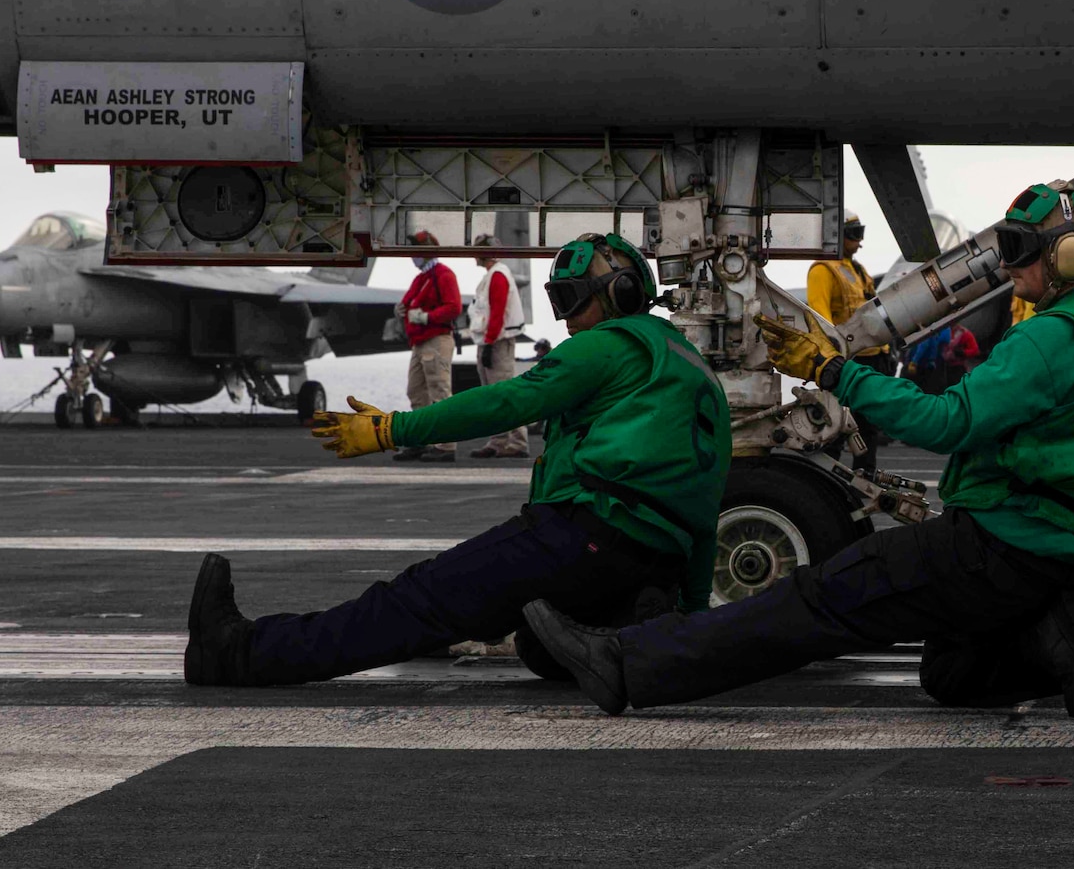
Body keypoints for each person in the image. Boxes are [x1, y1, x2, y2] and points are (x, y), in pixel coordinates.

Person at [524, 180, 1074, 723]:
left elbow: (944, 422)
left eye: (1023, 251)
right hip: (1068, 553)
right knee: (949, 673)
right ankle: (1051, 630)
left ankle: (627, 667)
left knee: (815, 602)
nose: (1009, 266)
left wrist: (833, 371)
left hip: (1000, 541)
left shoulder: (1050, 338)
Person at [183, 232, 732, 688]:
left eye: (572, 300)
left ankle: (236, 653)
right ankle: (637, 630)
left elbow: (506, 401)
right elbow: (706, 512)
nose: (566, 322)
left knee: (415, 600)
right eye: (558, 304)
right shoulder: (690, 367)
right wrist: (696, 620)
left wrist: (391, 428)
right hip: (650, 560)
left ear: (621, 292)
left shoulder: (608, 344)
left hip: (586, 537)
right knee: (536, 640)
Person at [806, 209, 893, 471]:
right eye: (854, 235)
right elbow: (821, 321)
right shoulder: (822, 270)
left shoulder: (858, 270)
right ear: (836, 234)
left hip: (874, 362)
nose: (860, 242)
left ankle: (863, 487)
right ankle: (825, 487)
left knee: (867, 432)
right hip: (847, 364)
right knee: (835, 429)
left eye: (860, 233)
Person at [396, 230, 463, 462]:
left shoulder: (442, 275)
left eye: (416, 250)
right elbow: (409, 303)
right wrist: (402, 310)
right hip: (421, 342)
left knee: (439, 393)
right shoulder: (423, 278)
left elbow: (454, 307)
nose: (412, 255)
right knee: (417, 392)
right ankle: (421, 440)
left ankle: (446, 445)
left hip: (435, 340)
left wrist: (426, 317)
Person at [467, 232, 529, 459]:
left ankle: (517, 442)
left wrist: (490, 342)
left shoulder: (498, 276)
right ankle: (499, 441)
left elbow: (497, 312)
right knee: (493, 395)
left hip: (497, 342)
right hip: (491, 341)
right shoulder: (494, 275)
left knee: (504, 394)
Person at [942, 322, 981, 386]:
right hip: (946, 366)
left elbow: (975, 350)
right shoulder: (945, 332)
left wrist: (962, 352)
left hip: (958, 366)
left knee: (958, 384)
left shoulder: (964, 333)